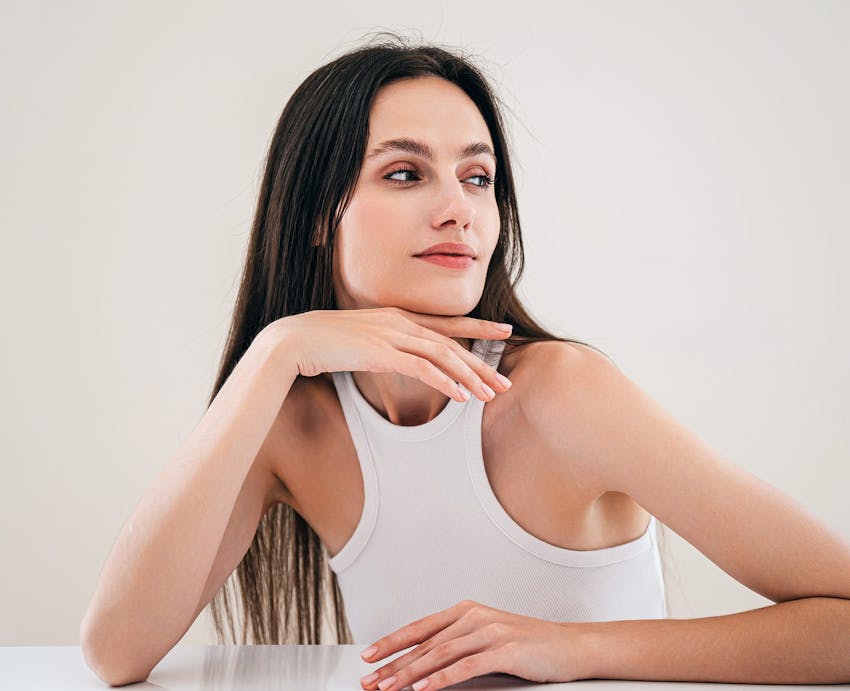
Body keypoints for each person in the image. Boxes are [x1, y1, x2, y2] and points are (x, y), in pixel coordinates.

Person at [80, 32, 850, 690]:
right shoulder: (296, 424)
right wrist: (274, 351)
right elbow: (117, 649)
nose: (460, 208)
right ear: (317, 213)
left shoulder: (561, 395)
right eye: (406, 173)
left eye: (477, 177)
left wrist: (572, 650)